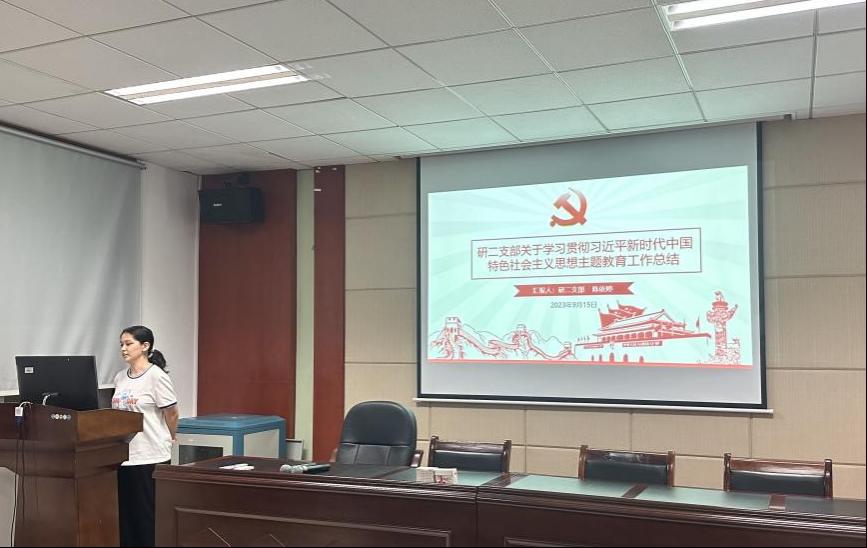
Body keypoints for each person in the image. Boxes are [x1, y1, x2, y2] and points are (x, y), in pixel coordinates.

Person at [112, 325, 179, 547]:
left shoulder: (156, 376)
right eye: (121, 344)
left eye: (128, 343)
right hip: (124, 457)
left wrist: (172, 437)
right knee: (127, 517)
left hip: (150, 455)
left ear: (145, 346)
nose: (123, 348)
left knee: (146, 516)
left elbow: (171, 413)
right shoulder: (120, 377)